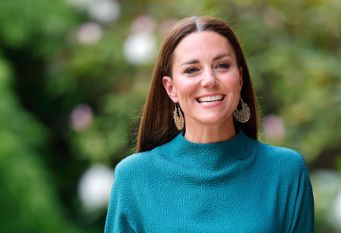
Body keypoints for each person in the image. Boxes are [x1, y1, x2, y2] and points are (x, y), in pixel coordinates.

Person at [104, 16, 314, 233]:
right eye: (192, 70)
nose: (209, 80)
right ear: (171, 88)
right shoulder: (135, 177)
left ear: (239, 77)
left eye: (222, 66)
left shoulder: (285, 171)